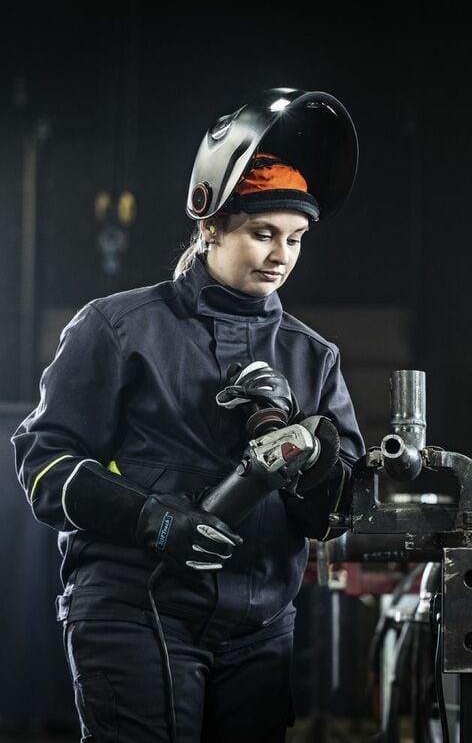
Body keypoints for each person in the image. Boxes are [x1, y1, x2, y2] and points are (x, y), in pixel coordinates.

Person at [12, 87, 365, 743]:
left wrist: (315, 459)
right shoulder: (119, 329)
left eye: (295, 237)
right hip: (134, 613)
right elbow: (44, 465)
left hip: (260, 629)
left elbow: (335, 513)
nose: (280, 254)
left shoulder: (313, 359)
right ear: (209, 225)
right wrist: (151, 519)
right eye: (263, 233)